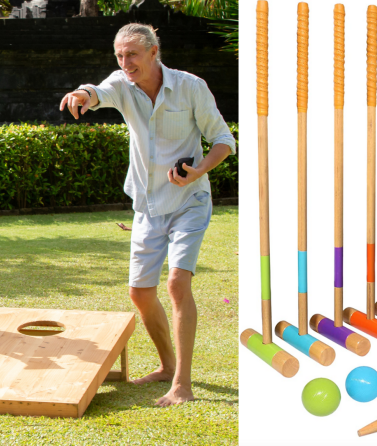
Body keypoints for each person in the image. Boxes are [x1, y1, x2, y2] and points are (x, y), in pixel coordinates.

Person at [59, 23, 236, 406]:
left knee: (176, 284)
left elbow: (223, 140)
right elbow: (98, 91)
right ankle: (167, 365)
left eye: (132, 55)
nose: (125, 63)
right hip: (147, 205)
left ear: (154, 51)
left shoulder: (191, 86)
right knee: (140, 293)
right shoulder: (122, 84)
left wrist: (199, 170)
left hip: (190, 201)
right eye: (120, 56)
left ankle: (183, 385)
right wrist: (81, 95)